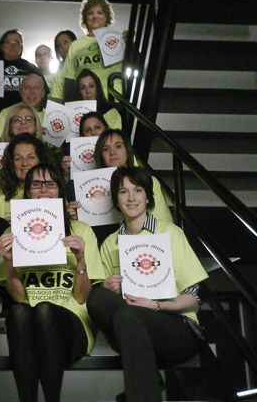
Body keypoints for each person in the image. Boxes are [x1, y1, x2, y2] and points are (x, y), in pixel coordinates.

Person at [87, 166, 209, 402]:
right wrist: (108, 288)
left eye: (138, 190)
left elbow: (194, 298)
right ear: (116, 199)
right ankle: (149, 377)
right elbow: (107, 305)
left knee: (127, 315)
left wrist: (156, 305)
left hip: (176, 327)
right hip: (132, 329)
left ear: (148, 197)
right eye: (123, 191)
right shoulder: (110, 244)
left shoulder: (170, 233)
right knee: (98, 297)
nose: (131, 198)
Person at [0, 163, 105, 402]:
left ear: (59, 191)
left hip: (73, 324)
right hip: (28, 326)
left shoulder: (81, 231)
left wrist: (81, 258)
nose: (44, 190)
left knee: (44, 309)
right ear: (27, 191)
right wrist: (9, 262)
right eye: (36, 184)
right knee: (19, 311)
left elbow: (81, 297)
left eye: (51, 184)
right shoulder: (11, 234)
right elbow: (19, 298)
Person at [0, 134, 56, 277]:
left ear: (40, 160)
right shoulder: (0, 194)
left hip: (46, 253)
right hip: (7, 261)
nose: (24, 163)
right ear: (12, 163)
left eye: (31, 157)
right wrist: (7, 226)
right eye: (18, 158)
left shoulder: (51, 191)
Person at [50, 0, 122, 103]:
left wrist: (129, 44)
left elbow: (135, 64)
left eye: (99, 12)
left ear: (107, 16)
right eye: (90, 13)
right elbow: (69, 79)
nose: (95, 16)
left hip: (114, 100)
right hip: (84, 102)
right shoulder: (75, 45)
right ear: (85, 18)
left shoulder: (117, 39)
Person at [0, 29, 47, 117]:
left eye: (17, 42)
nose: (13, 45)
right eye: (9, 42)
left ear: (21, 47)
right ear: (2, 46)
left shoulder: (32, 69)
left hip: (24, 119)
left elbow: (43, 96)